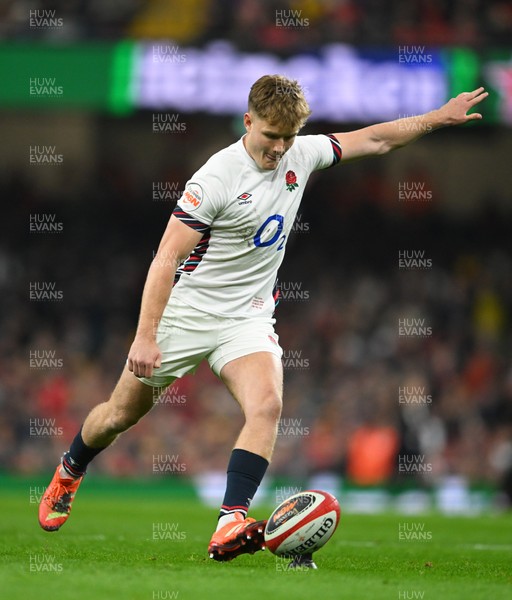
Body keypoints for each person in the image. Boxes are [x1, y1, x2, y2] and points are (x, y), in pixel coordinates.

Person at [38, 75, 488, 563]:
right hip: (187, 313)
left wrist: (436, 118)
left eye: (287, 138)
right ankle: (70, 468)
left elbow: (376, 138)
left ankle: (230, 519)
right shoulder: (216, 177)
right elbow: (165, 257)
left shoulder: (302, 152)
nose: (278, 148)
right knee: (118, 416)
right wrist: (145, 336)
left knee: (268, 404)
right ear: (248, 121)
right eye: (270, 135)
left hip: (247, 316)